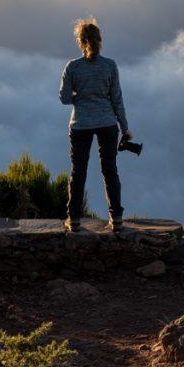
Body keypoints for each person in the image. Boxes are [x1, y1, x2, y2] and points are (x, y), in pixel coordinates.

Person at [59, 18, 132, 233]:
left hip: (80, 123)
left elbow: (64, 98)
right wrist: (125, 128)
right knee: (110, 170)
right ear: (99, 41)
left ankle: (74, 219)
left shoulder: (73, 67)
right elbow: (117, 99)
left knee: (78, 171)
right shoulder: (110, 66)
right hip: (108, 123)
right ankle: (116, 218)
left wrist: (80, 96)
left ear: (80, 42)